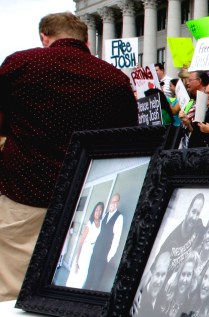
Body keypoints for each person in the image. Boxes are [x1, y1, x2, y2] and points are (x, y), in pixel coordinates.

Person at [0, 12, 137, 301]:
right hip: (83, 203)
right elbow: (129, 142)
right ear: (86, 40)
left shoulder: (20, 65)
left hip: (25, 195)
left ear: (44, 38)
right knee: (68, 295)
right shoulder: (114, 80)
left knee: (10, 291)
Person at [158, 193, 206, 277]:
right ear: (188, 210)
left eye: (198, 213)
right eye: (193, 211)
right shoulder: (171, 239)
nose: (195, 217)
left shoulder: (198, 227)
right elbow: (154, 269)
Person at [128, 251, 172, 317]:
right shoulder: (138, 300)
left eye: (163, 275)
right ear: (152, 273)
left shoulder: (163, 297)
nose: (159, 281)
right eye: (157, 275)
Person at [84, 193, 124, 292]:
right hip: (95, 252)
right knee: (89, 277)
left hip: (104, 256)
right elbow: (99, 232)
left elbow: (116, 240)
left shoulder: (119, 217)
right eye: (112, 201)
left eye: (116, 201)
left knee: (96, 282)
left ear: (118, 203)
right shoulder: (105, 214)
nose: (113, 203)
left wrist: (108, 257)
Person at [65, 202, 104, 289]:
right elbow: (80, 243)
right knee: (76, 275)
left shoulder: (101, 223)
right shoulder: (90, 224)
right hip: (84, 251)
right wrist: (76, 262)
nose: (98, 212)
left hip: (91, 251)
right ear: (94, 211)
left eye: (100, 210)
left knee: (83, 276)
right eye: (97, 210)